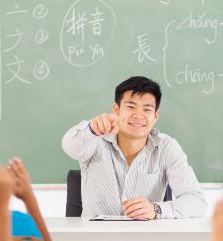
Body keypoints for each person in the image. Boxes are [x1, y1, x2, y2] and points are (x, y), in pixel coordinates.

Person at [62, 76, 207, 220]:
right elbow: (70, 145)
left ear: (155, 116)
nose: (138, 115)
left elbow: (197, 202)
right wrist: (92, 129)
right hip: (96, 238)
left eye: (147, 109)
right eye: (131, 107)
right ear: (116, 109)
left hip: (144, 239)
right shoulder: (94, 139)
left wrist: (156, 209)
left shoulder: (167, 147)